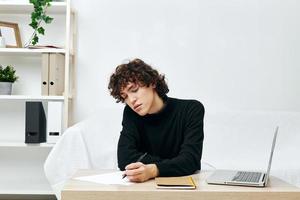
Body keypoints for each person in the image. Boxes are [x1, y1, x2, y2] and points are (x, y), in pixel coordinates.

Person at [108, 58, 204, 182]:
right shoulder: (130, 114)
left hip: (184, 186)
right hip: (145, 189)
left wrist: (153, 170)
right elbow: (124, 160)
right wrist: (175, 163)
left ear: (152, 82)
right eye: (125, 96)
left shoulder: (191, 110)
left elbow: (190, 161)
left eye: (134, 90)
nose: (131, 100)